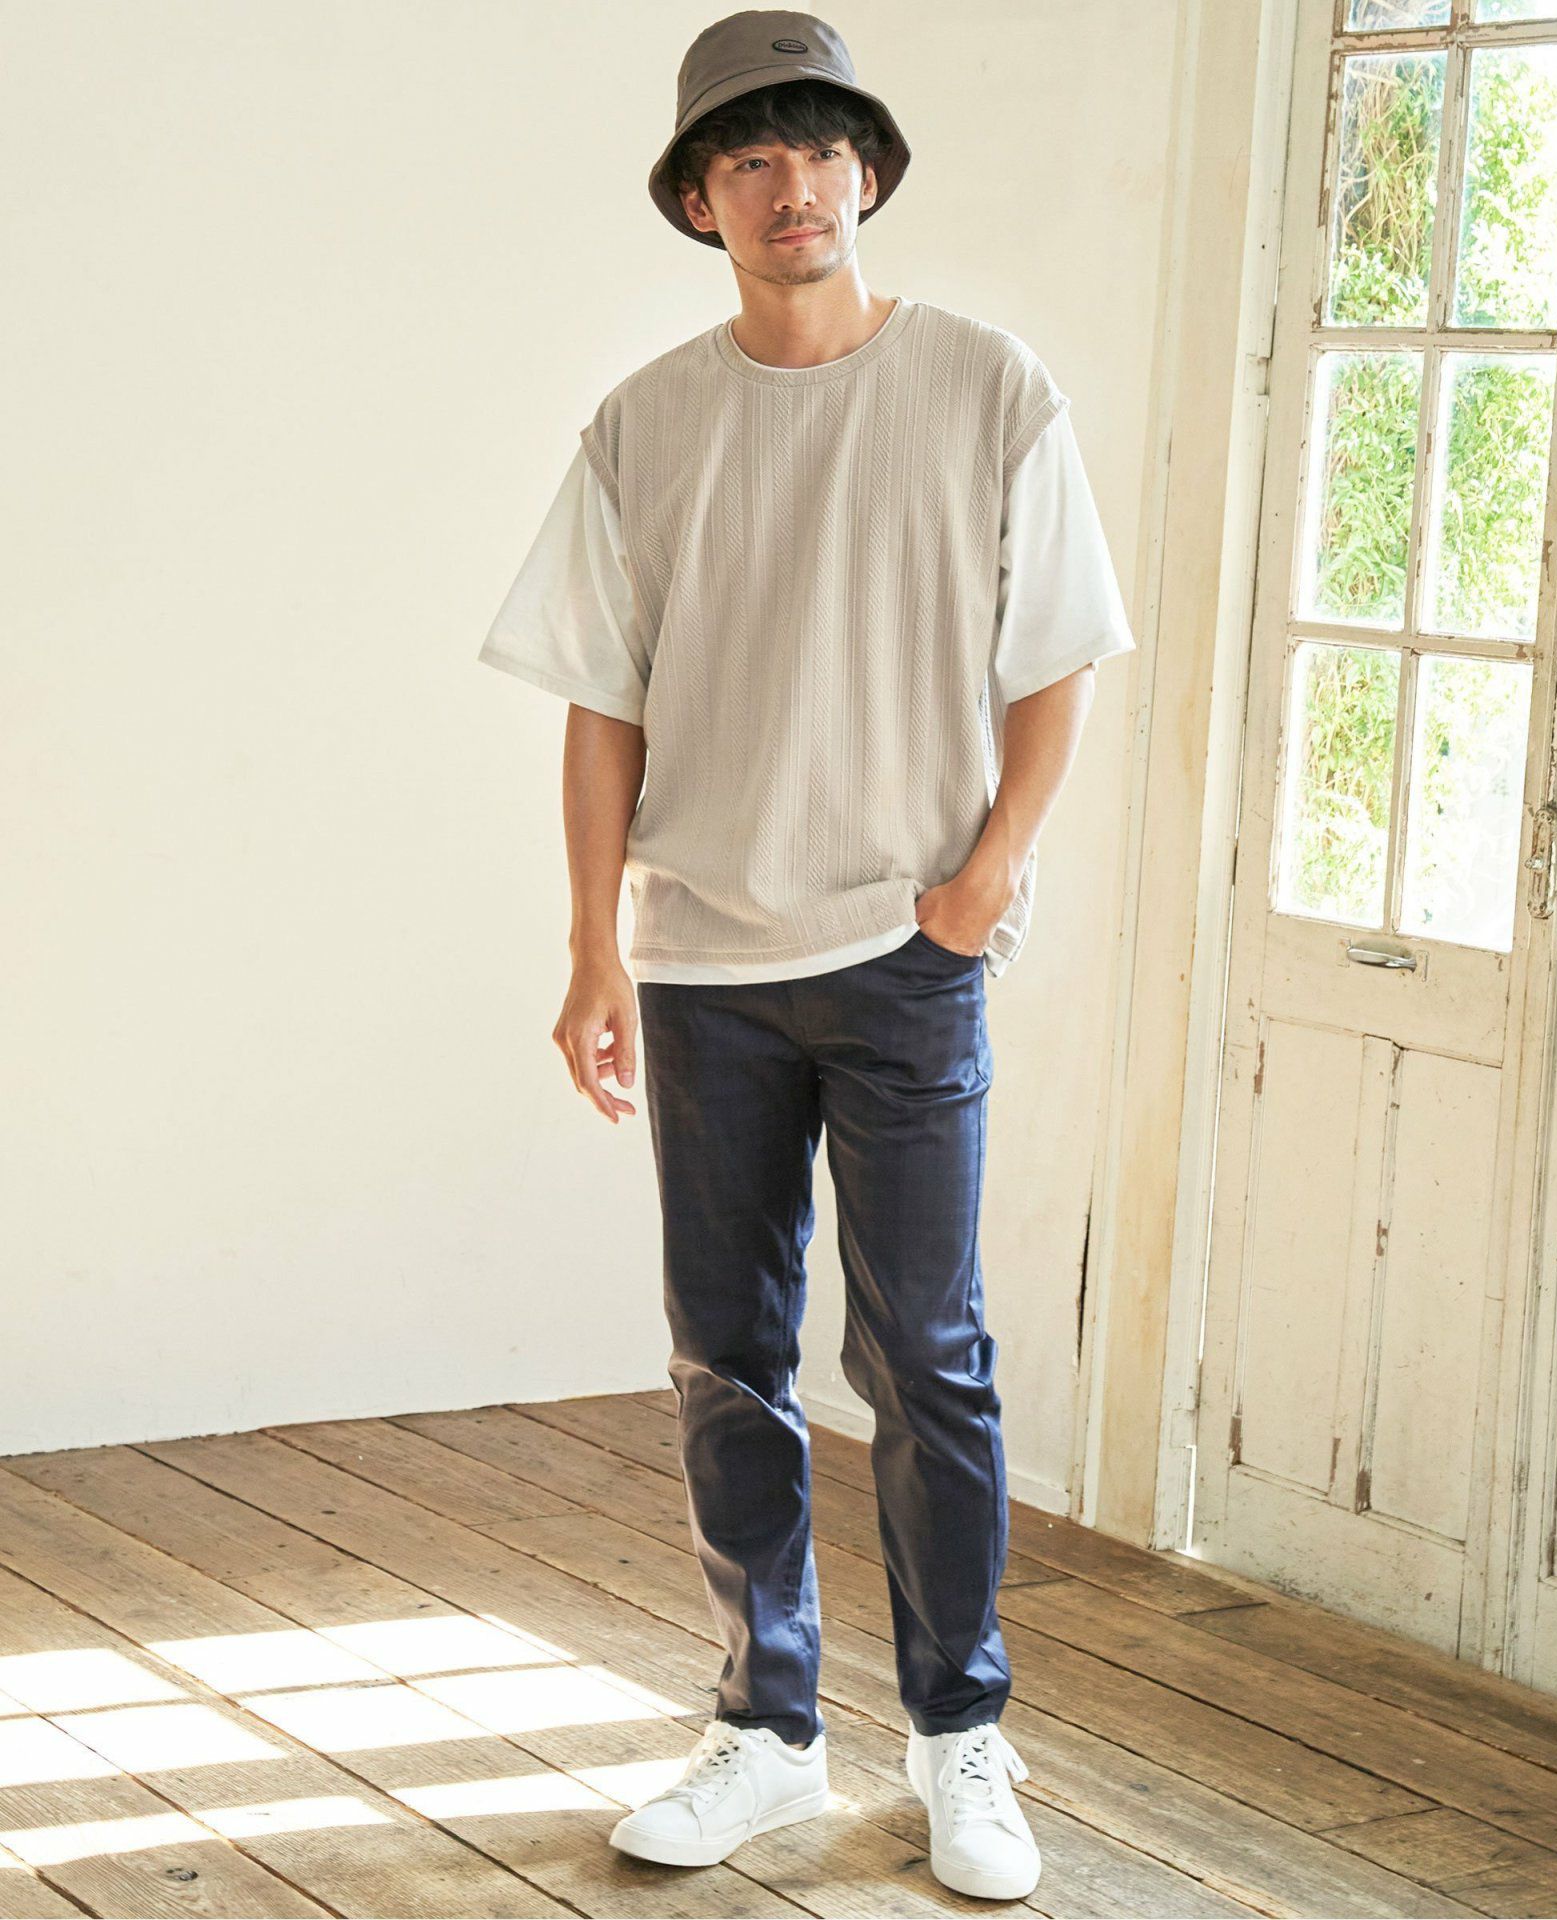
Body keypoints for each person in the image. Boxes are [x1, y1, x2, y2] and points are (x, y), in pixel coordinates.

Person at [477, 8, 1136, 1902]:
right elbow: (603, 704)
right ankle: (767, 1733)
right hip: (702, 963)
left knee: (927, 1353)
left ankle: (959, 1737)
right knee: (727, 1355)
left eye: (823, 149)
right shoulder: (644, 426)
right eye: (751, 158)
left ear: (869, 173)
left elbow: (1058, 656)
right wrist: (594, 949)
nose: (795, 187)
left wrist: (986, 879)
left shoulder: (986, 387)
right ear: (701, 201)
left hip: (908, 952)